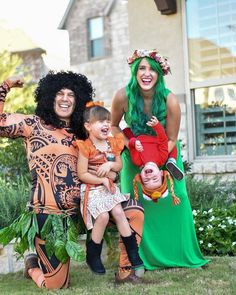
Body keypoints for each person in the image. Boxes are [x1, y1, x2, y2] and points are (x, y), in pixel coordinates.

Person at [0, 71, 144, 289]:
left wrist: (112, 173)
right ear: (49, 96)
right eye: (60, 93)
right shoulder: (32, 124)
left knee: (134, 212)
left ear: (78, 99)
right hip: (50, 215)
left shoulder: (85, 133)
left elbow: (110, 160)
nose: (65, 98)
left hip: (89, 204)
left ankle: (126, 273)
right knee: (56, 285)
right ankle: (32, 266)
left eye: (71, 94)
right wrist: (6, 86)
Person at [111, 49, 209, 270]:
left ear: (159, 74)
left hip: (165, 151)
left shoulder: (170, 99)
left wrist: (156, 160)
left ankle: (181, 255)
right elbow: (114, 125)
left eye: (151, 69)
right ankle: (138, 259)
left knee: (179, 198)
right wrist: (129, 146)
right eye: (142, 68)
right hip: (134, 153)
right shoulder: (122, 96)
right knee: (134, 204)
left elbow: (173, 138)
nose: (146, 73)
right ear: (135, 72)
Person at [75, 104, 143, 275]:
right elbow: (82, 174)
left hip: (109, 188)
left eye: (107, 121)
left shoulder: (113, 143)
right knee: (104, 216)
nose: (105, 125)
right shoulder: (85, 147)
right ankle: (93, 255)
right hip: (92, 189)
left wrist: (111, 164)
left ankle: (134, 255)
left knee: (119, 213)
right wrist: (102, 179)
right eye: (100, 121)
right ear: (88, 126)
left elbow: (119, 165)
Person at [123, 115, 181, 204]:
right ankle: (172, 160)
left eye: (146, 180)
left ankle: (171, 161)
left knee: (126, 132)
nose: (150, 177)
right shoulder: (162, 158)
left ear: (141, 176)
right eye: (155, 178)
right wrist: (157, 125)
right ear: (161, 172)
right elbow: (163, 140)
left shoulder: (137, 161)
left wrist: (134, 142)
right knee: (171, 144)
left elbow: (131, 145)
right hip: (155, 137)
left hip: (139, 135)